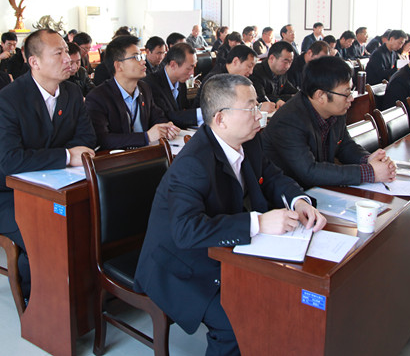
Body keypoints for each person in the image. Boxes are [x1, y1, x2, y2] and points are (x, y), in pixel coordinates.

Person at [135, 74, 326, 356]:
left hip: (221, 249)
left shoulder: (250, 140)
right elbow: (186, 231)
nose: (259, 114)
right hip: (179, 265)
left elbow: (272, 176)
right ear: (221, 119)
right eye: (250, 108)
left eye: (257, 105)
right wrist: (258, 222)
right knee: (235, 322)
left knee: (283, 293)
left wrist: (299, 201)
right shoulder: (192, 163)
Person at [0, 29, 97, 299]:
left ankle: (86, 293)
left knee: (91, 222)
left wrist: (64, 155)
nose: (68, 59)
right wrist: (66, 156)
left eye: (67, 51)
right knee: (45, 235)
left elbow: (87, 138)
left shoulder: (71, 91)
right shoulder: (7, 101)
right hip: (6, 195)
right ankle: (39, 301)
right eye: (58, 53)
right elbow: (11, 160)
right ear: (34, 62)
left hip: (59, 188)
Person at [262, 56, 397, 188]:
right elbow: (309, 171)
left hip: (320, 189)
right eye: (346, 94)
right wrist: (369, 172)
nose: (351, 98)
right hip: (292, 195)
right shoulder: (289, 121)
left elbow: (344, 145)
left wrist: (367, 159)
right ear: (320, 96)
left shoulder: (336, 110)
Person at [85, 35, 179, 150]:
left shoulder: (144, 88)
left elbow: (157, 116)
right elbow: (102, 139)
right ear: (118, 66)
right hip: (117, 158)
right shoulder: (98, 97)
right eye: (136, 57)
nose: (143, 62)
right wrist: (146, 137)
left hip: (145, 154)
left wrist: (167, 127)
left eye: (141, 56)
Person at [143, 43, 202, 129]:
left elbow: (183, 110)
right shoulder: (151, 84)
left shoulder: (181, 82)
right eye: (189, 68)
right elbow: (166, 117)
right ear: (173, 65)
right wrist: (200, 113)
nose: (192, 73)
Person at [250, 41, 297, 108]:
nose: (288, 66)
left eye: (290, 62)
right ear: (272, 58)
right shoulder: (256, 72)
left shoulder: (281, 72)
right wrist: (278, 99)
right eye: (285, 62)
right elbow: (261, 97)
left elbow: (290, 89)